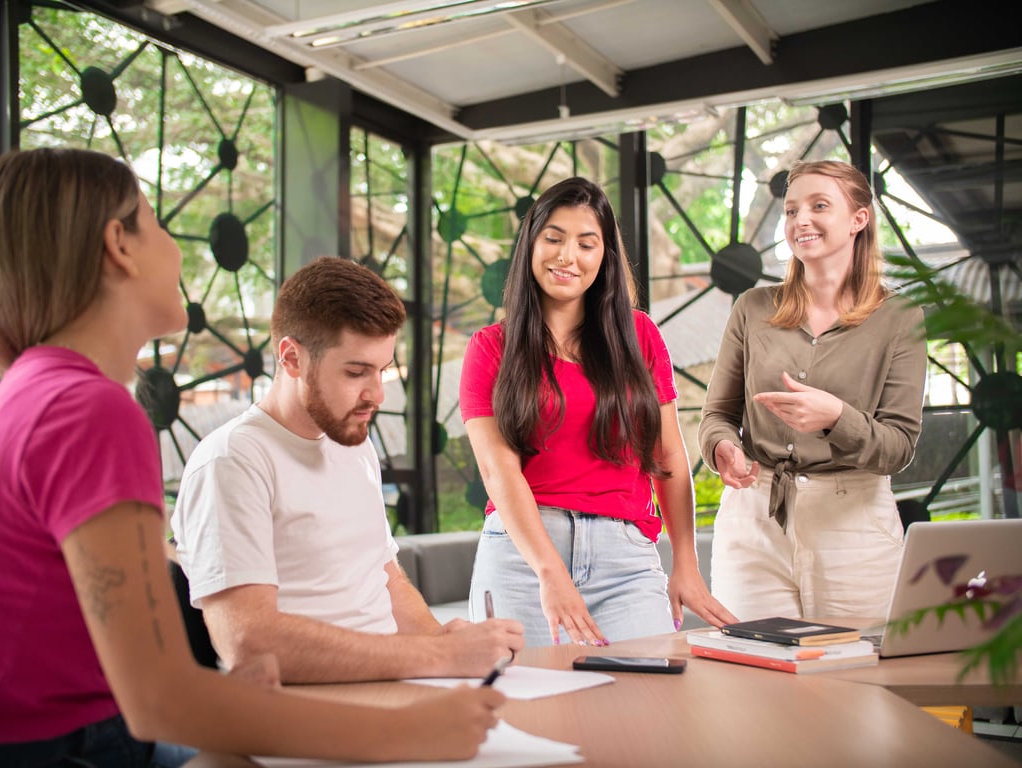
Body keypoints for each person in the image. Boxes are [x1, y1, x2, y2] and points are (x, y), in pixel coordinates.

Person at [0, 147, 504, 767]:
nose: (176, 249)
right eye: (156, 223)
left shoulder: (32, 391)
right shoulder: (92, 412)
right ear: (119, 245)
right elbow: (158, 697)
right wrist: (407, 732)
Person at [171, 256, 524, 683]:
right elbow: (248, 642)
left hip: (390, 687)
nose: (376, 394)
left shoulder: (352, 444)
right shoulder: (233, 462)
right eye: (356, 372)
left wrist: (447, 645)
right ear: (291, 358)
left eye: (382, 371)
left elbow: (385, 576)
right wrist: (437, 656)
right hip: (312, 710)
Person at [460, 176, 738, 648]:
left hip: (625, 560)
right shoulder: (491, 348)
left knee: (646, 709)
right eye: (553, 238)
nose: (568, 256)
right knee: (526, 715)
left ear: (603, 258)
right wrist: (549, 570)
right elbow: (497, 469)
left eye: (586, 244)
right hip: (521, 558)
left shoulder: (640, 336)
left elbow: (668, 455)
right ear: (530, 245)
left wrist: (685, 563)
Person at [698, 159, 928, 622]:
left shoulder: (900, 318)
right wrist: (721, 447)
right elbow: (717, 414)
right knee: (758, 680)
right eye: (791, 210)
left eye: (819, 206)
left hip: (854, 526)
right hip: (753, 521)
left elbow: (899, 448)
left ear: (858, 219)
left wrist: (835, 419)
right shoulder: (752, 308)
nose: (800, 220)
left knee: (855, 685)